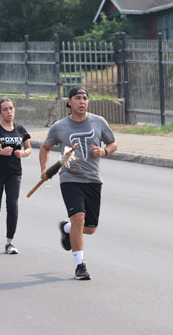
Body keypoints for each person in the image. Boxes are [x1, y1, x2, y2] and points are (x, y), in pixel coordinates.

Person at [39, 87, 117, 280]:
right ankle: (80, 266)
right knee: (79, 218)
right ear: (69, 102)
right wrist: (44, 169)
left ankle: (66, 229)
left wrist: (104, 151)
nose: (82, 102)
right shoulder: (60, 126)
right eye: (77, 98)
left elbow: (113, 143)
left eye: (85, 98)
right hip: (70, 178)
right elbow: (45, 147)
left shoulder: (98, 122)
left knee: (90, 228)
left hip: (92, 179)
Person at [0, 98, 32, 255]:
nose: (9, 112)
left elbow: (29, 148)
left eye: (11, 108)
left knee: (12, 205)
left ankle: (9, 242)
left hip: (14, 173)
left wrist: (23, 153)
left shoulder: (20, 129)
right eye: (5, 109)